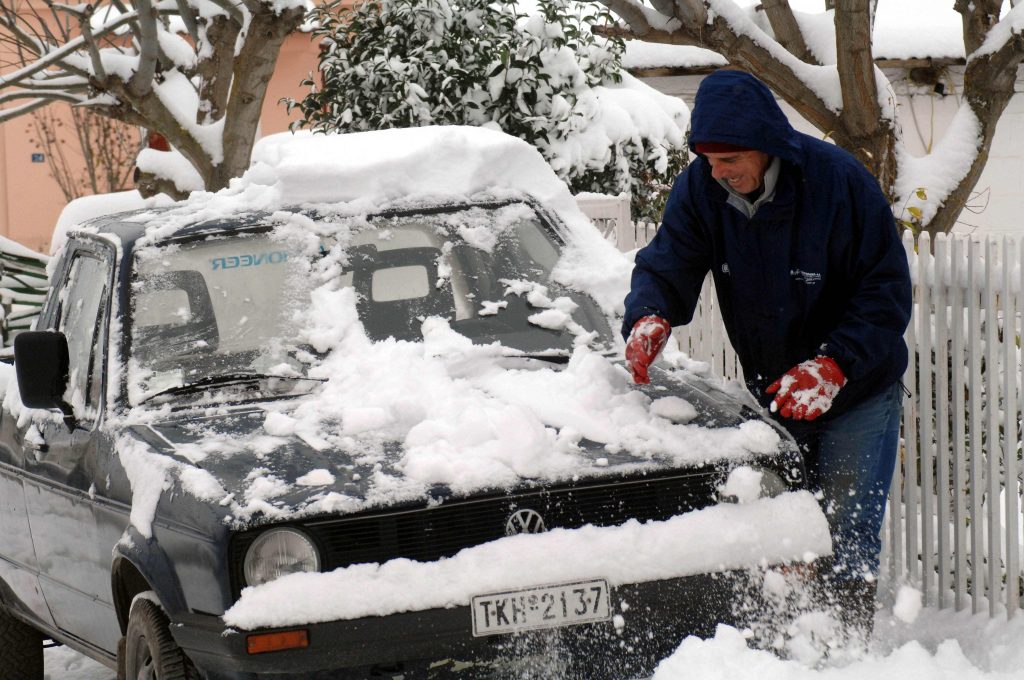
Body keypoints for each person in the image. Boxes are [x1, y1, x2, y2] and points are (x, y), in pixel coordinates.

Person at [622, 69, 912, 641]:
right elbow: (667, 262)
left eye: (729, 159)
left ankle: (844, 646)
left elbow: (886, 292)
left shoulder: (840, 185)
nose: (717, 171)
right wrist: (649, 314)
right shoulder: (703, 191)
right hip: (775, 391)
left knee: (846, 528)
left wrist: (836, 364)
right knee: (783, 529)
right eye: (707, 159)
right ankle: (785, 646)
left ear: (766, 146)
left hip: (857, 389)